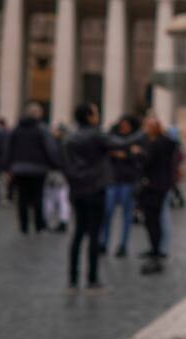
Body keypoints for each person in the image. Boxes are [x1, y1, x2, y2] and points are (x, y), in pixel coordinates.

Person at [61, 102, 143, 291]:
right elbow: (121, 143)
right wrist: (142, 133)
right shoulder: (96, 135)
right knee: (94, 235)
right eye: (96, 113)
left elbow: (65, 165)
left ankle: (72, 279)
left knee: (78, 233)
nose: (97, 116)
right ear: (90, 116)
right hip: (95, 188)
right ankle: (92, 279)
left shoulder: (69, 138)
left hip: (77, 189)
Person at [5, 103, 60, 235]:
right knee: (38, 197)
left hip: (19, 168)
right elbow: (50, 149)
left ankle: (24, 226)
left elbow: (9, 149)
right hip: (38, 168)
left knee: (22, 198)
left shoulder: (17, 129)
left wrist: (8, 166)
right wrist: (56, 164)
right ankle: (38, 225)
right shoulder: (41, 129)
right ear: (37, 114)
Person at [136, 114, 178, 275]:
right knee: (157, 220)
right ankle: (157, 250)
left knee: (153, 220)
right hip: (162, 185)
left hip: (153, 186)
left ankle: (156, 252)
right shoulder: (167, 142)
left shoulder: (155, 144)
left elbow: (147, 162)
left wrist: (138, 153)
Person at [100, 115, 141, 257]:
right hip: (112, 180)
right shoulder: (112, 136)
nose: (124, 127)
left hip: (128, 180)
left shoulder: (136, 138)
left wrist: (126, 155)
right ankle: (103, 243)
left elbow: (137, 157)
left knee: (126, 215)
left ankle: (123, 245)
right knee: (107, 213)